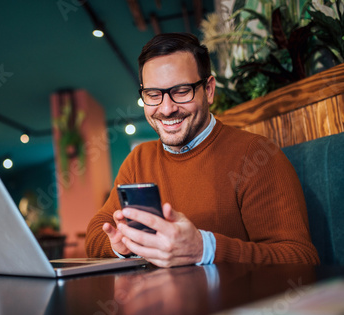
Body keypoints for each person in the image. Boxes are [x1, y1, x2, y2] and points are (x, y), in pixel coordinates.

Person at [85, 32, 320, 267]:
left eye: (181, 91)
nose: (166, 108)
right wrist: (123, 246)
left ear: (208, 90)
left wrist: (205, 249)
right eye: (153, 95)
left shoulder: (257, 155)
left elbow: (301, 259)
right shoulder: (138, 159)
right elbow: (96, 234)